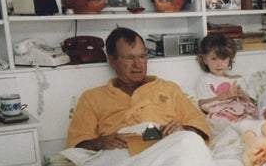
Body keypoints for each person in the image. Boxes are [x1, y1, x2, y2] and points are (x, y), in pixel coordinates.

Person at [67, 27, 211, 151]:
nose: (138, 65)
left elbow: (200, 127)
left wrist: (183, 130)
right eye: (129, 58)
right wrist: (100, 142)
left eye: (142, 57)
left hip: (168, 149)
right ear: (112, 60)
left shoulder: (169, 89)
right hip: (121, 156)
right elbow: (76, 145)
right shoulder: (92, 98)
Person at [195, 33, 258, 122]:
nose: (219, 64)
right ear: (205, 59)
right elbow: (202, 104)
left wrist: (242, 95)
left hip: (241, 114)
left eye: (224, 59)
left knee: (252, 121)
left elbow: (252, 105)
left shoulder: (238, 79)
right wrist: (224, 96)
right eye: (214, 59)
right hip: (221, 116)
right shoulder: (205, 80)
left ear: (229, 59)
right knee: (221, 122)